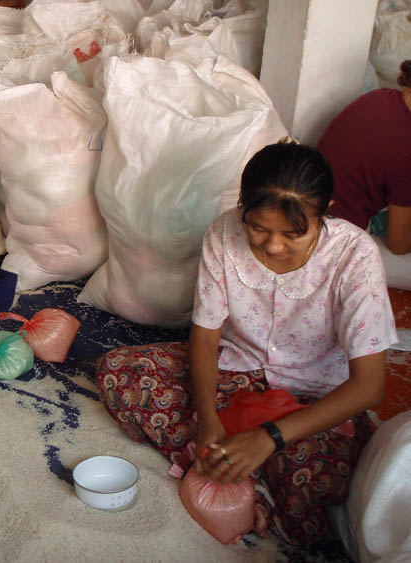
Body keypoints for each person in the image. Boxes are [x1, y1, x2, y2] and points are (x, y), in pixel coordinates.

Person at [95, 142, 398, 545]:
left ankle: (224, 463)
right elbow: (204, 337)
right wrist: (208, 420)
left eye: (294, 233)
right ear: (243, 207)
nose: (273, 246)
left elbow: (368, 386)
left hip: (312, 398)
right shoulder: (223, 233)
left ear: (325, 212)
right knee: (118, 371)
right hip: (235, 373)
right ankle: (237, 468)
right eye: (258, 228)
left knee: (317, 478)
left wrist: (269, 436)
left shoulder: (355, 256)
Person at [317, 60, 411, 289]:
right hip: (334, 243)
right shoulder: (407, 151)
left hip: (315, 206)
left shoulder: (381, 96)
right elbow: (398, 245)